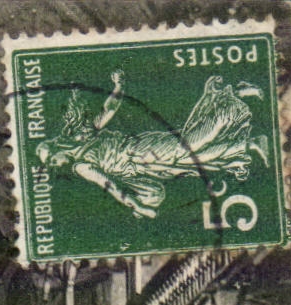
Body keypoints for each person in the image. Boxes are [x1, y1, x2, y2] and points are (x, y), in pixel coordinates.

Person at [38, 71, 270, 219]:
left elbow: (109, 185)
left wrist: (119, 87)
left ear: (57, 149)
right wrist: (138, 205)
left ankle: (234, 96)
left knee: (188, 146)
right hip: (143, 167)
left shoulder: (82, 157)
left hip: (139, 150)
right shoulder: (82, 148)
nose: (55, 165)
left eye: (51, 160)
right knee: (196, 159)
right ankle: (249, 144)